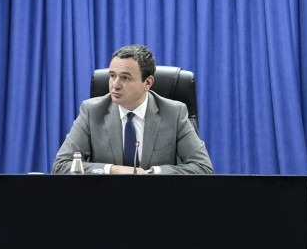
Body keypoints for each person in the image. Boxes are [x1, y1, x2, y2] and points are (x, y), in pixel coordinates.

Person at [52, 44, 213, 174]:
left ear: (148, 83)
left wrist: (154, 173)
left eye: (125, 78)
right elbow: (61, 166)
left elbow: (202, 167)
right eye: (112, 75)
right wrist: (112, 170)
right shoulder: (92, 111)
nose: (115, 85)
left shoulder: (174, 113)